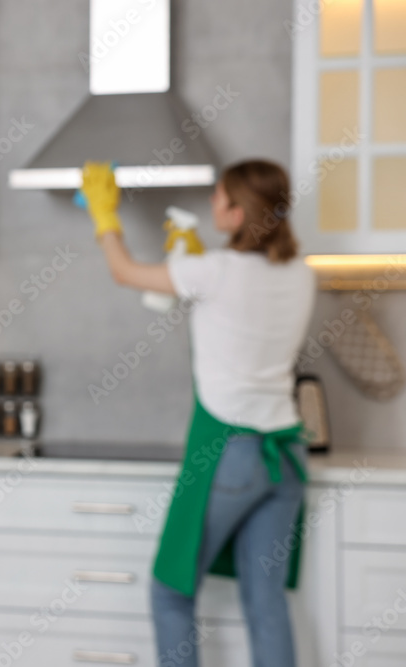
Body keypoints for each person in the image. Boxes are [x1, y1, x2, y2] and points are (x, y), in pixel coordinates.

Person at [80, 160, 315, 667]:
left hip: (229, 455)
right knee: (266, 601)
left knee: (171, 588)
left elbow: (124, 272)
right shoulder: (301, 275)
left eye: (220, 198)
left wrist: (105, 216)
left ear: (237, 212)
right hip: (286, 456)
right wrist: (192, 260)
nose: (212, 204)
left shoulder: (214, 270)